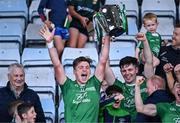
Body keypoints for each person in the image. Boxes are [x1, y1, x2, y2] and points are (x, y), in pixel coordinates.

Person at [39, 24, 110, 122]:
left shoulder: (95, 83)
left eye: (87, 67)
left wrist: (106, 37)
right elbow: (57, 65)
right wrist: (50, 43)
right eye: (81, 67)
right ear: (74, 71)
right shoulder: (67, 85)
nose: (84, 70)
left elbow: (103, 60)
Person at [104, 32, 154, 121]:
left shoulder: (146, 82)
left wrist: (145, 41)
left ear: (137, 70)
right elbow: (105, 66)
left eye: (130, 70)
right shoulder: (118, 87)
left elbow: (149, 61)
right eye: (124, 71)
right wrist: (105, 44)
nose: (127, 73)